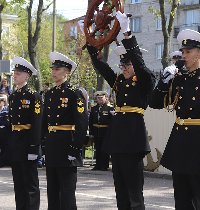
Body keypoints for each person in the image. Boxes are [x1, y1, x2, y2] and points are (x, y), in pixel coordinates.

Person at [149, 29, 200, 210]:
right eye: (183, 52)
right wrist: (163, 82)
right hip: (179, 145)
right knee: (181, 201)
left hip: (199, 149)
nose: (184, 55)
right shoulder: (179, 79)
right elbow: (154, 104)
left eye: (188, 52)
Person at [87, 11, 155, 210]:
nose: (124, 67)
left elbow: (140, 65)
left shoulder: (145, 80)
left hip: (133, 140)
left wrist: (127, 34)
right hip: (116, 139)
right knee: (120, 191)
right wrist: (91, 41)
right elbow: (102, 67)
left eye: (128, 63)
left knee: (135, 192)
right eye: (122, 63)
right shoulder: (118, 82)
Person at [42, 51, 88, 210]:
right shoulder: (49, 94)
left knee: (67, 193)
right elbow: (44, 122)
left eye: (57, 69)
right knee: (52, 192)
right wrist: (42, 144)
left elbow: (82, 124)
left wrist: (75, 148)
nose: (54, 72)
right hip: (52, 146)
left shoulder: (75, 93)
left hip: (67, 145)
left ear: (67, 72)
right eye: (53, 69)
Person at [8, 57, 41, 210]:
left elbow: (37, 123)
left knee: (30, 184)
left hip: (28, 143)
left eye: (18, 73)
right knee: (18, 183)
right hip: (16, 143)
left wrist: (34, 147)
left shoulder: (33, 95)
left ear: (27, 76)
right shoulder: (14, 96)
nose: (15, 75)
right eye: (14, 73)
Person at [89, 91, 114, 171]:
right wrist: (91, 132)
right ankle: (97, 165)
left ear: (106, 98)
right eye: (98, 98)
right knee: (97, 148)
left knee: (104, 149)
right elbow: (91, 121)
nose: (99, 99)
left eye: (101, 98)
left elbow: (112, 122)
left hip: (105, 131)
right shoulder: (94, 108)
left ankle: (104, 165)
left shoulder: (110, 108)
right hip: (96, 131)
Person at [0, 94, 9, 167]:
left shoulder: (7, 110)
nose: (0, 102)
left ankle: (3, 162)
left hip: (4, 131)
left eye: (2, 100)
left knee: (4, 147)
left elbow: (7, 122)